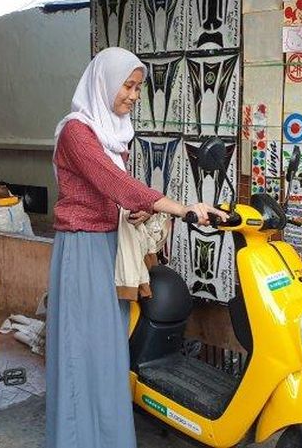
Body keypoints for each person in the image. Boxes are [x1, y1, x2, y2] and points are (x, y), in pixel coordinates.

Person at [46, 46, 228, 448]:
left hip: (109, 249)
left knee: (107, 355)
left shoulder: (113, 133)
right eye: (127, 86)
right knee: (82, 355)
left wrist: (136, 211)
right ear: (104, 83)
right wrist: (182, 209)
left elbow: (116, 193)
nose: (132, 95)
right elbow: (115, 184)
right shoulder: (77, 131)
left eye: (137, 88)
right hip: (83, 252)